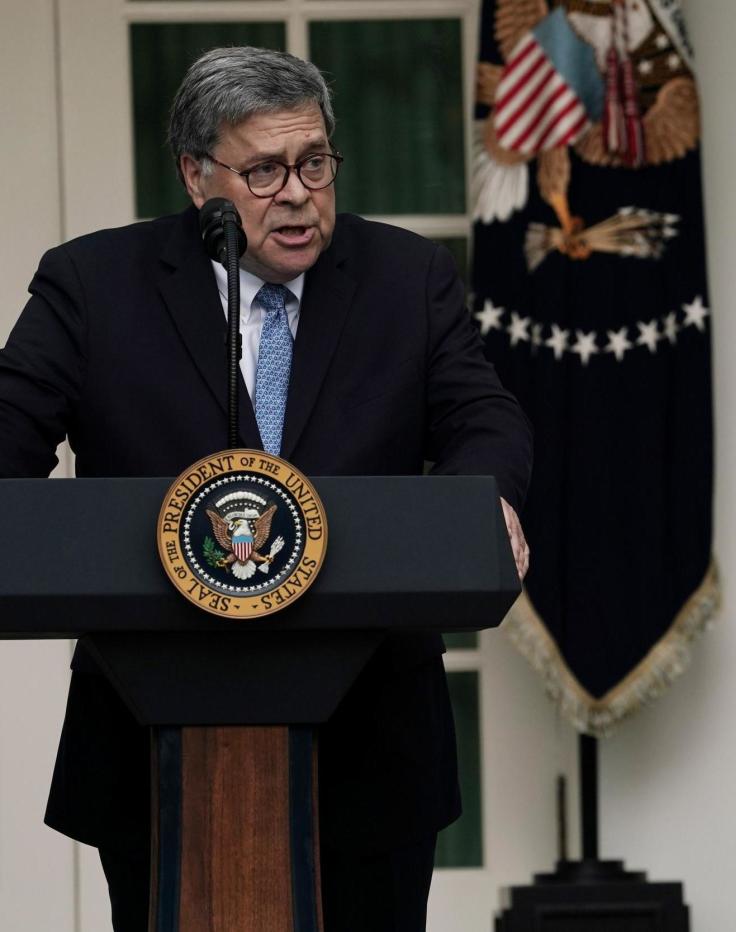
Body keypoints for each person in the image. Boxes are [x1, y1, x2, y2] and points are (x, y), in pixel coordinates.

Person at [0, 47, 531, 930]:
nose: (297, 193)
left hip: (375, 738)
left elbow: (483, 416)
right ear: (195, 174)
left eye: (314, 161)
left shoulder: (408, 277)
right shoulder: (93, 284)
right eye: (263, 170)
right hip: (151, 735)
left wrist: (490, 502)